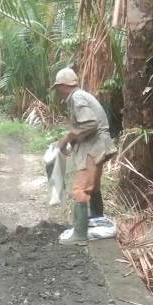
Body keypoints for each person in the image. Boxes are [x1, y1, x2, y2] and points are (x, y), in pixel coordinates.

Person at [52, 68, 117, 245]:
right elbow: (86, 126)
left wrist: (67, 137)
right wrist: (72, 143)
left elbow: (90, 123)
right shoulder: (81, 95)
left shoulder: (76, 97)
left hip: (94, 146)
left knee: (80, 189)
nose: (58, 91)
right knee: (93, 186)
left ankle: (80, 234)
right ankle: (97, 222)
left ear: (64, 85)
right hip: (98, 144)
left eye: (58, 87)